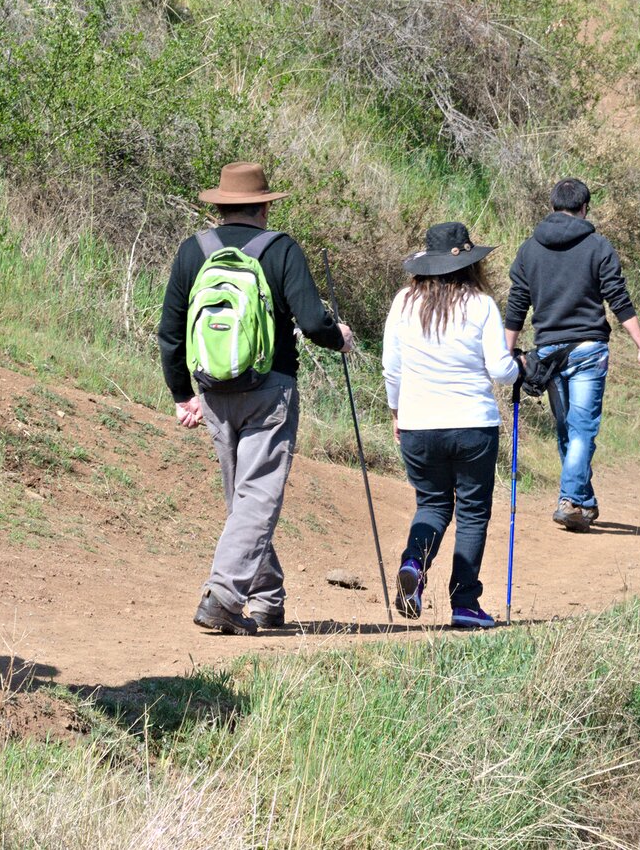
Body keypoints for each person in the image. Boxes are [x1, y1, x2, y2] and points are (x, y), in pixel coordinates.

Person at [158, 162, 353, 635]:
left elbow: (169, 332)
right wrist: (339, 336)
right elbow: (311, 321)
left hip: (213, 392)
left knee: (243, 498)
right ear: (264, 206)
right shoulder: (281, 249)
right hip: (270, 390)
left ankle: (266, 599)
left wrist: (184, 394)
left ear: (220, 207)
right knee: (258, 496)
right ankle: (223, 598)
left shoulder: (193, 251)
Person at [383, 223, 521, 630]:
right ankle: (464, 602)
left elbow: (392, 369)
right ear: (469, 264)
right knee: (473, 513)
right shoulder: (480, 304)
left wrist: (396, 412)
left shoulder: (403, 302)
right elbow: (500, 370)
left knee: (432, 505)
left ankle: (414, 564)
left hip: (417, 424)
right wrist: (520, 368)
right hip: (472, 424)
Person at [502, 178, 640, 532]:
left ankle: (579, 501)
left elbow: (517, 305)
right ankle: (571, 499)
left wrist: (506, 351)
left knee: (568, 429)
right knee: (582, 429)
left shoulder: (529, 249)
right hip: (589, 350)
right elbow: (618, 299)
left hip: (549, 352)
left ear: (552, 207)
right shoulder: (598, 245)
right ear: (584, 208)